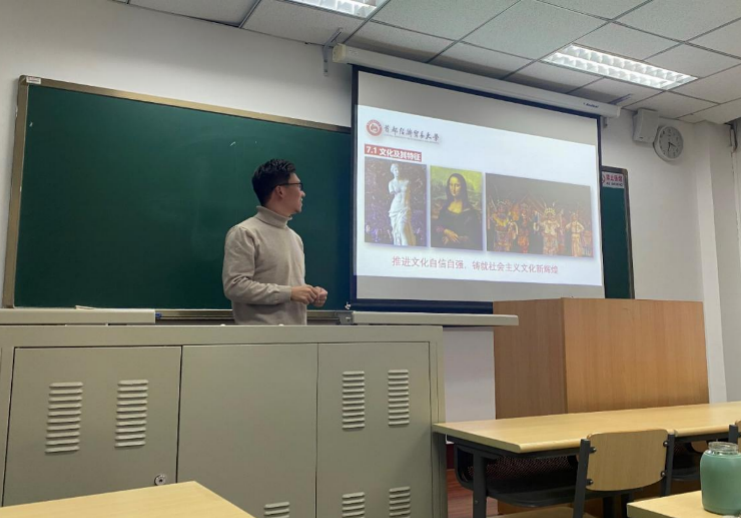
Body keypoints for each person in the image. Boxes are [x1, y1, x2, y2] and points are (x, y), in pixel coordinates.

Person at [223, 159, 328, 325]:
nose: (303, 194)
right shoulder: (245, 232)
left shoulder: (295, 237)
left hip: (297, 336)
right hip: (260, 337)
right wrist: (290, 293)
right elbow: (235, 287)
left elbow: (290, 289)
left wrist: (310, 293)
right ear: (280, 191)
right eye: (298, 186)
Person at [433, 173, 483, 250]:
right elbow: (437, 226)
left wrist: (451, 239)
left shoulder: (469, 213)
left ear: (462, 187)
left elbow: (474, 239)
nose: (453, 189)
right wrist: (446, 231)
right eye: (451, 185)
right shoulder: (445, 207)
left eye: (457, 185)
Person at [388, 164, 416, 247]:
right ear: (392, 172)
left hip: (404, 207)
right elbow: (392, 193)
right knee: (397, 231)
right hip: (395, 208)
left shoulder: (406, 182)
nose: (397, 171)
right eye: (395, 170)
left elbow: (408, 195)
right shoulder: (391, 183)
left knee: (402, 228)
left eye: (398, 169)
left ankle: (406, 250)